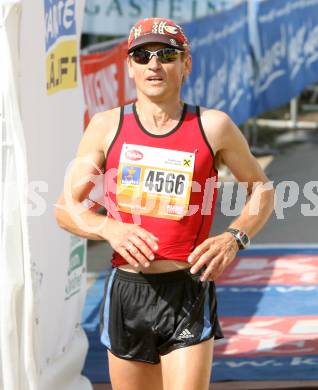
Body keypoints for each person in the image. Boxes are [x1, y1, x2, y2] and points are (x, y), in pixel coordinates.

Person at [55, 17, 274, 390]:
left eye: (166, 54)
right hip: (128, 290)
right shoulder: (107, 126)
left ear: (186, 63)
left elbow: (263, 190)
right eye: (142, 55)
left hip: (187, 287)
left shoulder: (213, 125)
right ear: (130, 66)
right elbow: (64, 208)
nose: (153, 65)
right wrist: (108, 226)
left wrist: (234, 237)